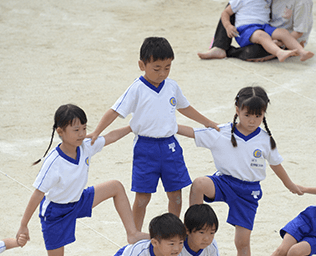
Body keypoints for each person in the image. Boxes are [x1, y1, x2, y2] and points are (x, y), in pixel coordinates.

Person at [17, 104, 148, 256]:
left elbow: (109, 137)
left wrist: (132, 127)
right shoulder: (53, 163)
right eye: (76, 130)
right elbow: (37, 195)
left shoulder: (85, 146)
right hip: (55, 213)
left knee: (115, 186)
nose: (82, 134)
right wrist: (23, 226)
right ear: (60, 132)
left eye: (84, 128)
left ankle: (132, 233)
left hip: (78, 200)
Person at [177, 86, 302, 256]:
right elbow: (191, 132)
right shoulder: (221, 132)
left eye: (258, 116)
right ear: (237, 109)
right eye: (247, 115)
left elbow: (276, 165)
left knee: (242, 242)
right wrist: (165, 124)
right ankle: (192, 230)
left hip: (248, 192)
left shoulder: (265, 139)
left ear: (264, 115)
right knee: (198, 184)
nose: (252, 120)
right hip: (224, 182)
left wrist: (289, 184)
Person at [88, 37, 219, 231]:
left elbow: (186, 108)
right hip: (145, 148)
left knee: (175, 195)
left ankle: (172, 234)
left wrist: (207, 122)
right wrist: (97, 131)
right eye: (156, 68)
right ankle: (134, 235)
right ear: (142, 65)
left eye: (167, 67)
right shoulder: (137, 88)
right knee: (142, 198)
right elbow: (114, 111)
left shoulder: (172, 86)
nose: (162, 73)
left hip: (170, 147)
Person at [198, 0, 313, 62]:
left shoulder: (302, 2)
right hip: (256, 30)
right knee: (232, 5)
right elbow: (227, 13)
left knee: (257, 51)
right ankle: (219, 46)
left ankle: (299, 51)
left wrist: (279, 43)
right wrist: (228, 26)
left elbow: (298, 32)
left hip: (285, 39)